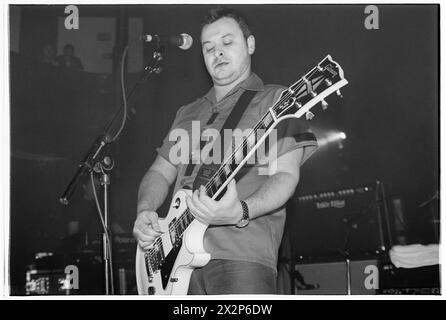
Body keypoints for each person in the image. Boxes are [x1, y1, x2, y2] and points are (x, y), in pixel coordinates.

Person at [133, 7, 318, 294]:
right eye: (209, 47)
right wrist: (145, 210)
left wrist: (240, 211)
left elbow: (285, 176)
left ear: (250, 45)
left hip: (242, 255)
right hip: (172, 261)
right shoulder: (187, 111)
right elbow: (159, 171)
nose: (217, 52)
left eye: (227, 42)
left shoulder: (278, 100)